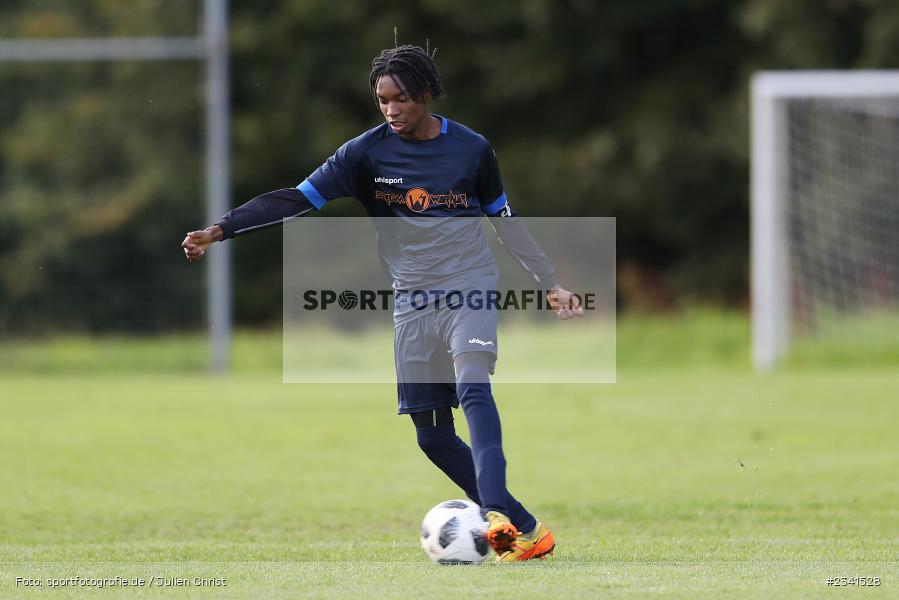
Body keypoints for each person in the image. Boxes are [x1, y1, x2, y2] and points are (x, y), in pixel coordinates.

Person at [182, 44, 582, 562]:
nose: (391, 109)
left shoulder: (472, 150)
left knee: (472, 384)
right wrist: (220, 230)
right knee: (432, 438)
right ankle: (528, 529)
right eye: (382, 100)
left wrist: (548, 281)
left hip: (469, 286)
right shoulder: (363, 155)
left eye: (402, 98)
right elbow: (295, 199)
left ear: (427, 94)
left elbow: (504, 220)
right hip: (412, 300)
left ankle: (498, 511)